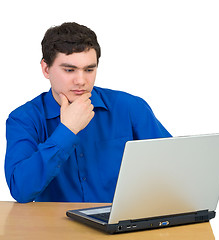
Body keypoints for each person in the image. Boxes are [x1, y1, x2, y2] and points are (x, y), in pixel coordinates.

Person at [5, 22, 171, 203]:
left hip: (121, 224)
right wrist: (66, 131)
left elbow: (173, 167)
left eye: (89, 69)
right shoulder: (23, 119)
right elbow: (21, 190)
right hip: (57, 228)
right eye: (69, 70)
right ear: (46, 69)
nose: (81, 81)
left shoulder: (130, 107)